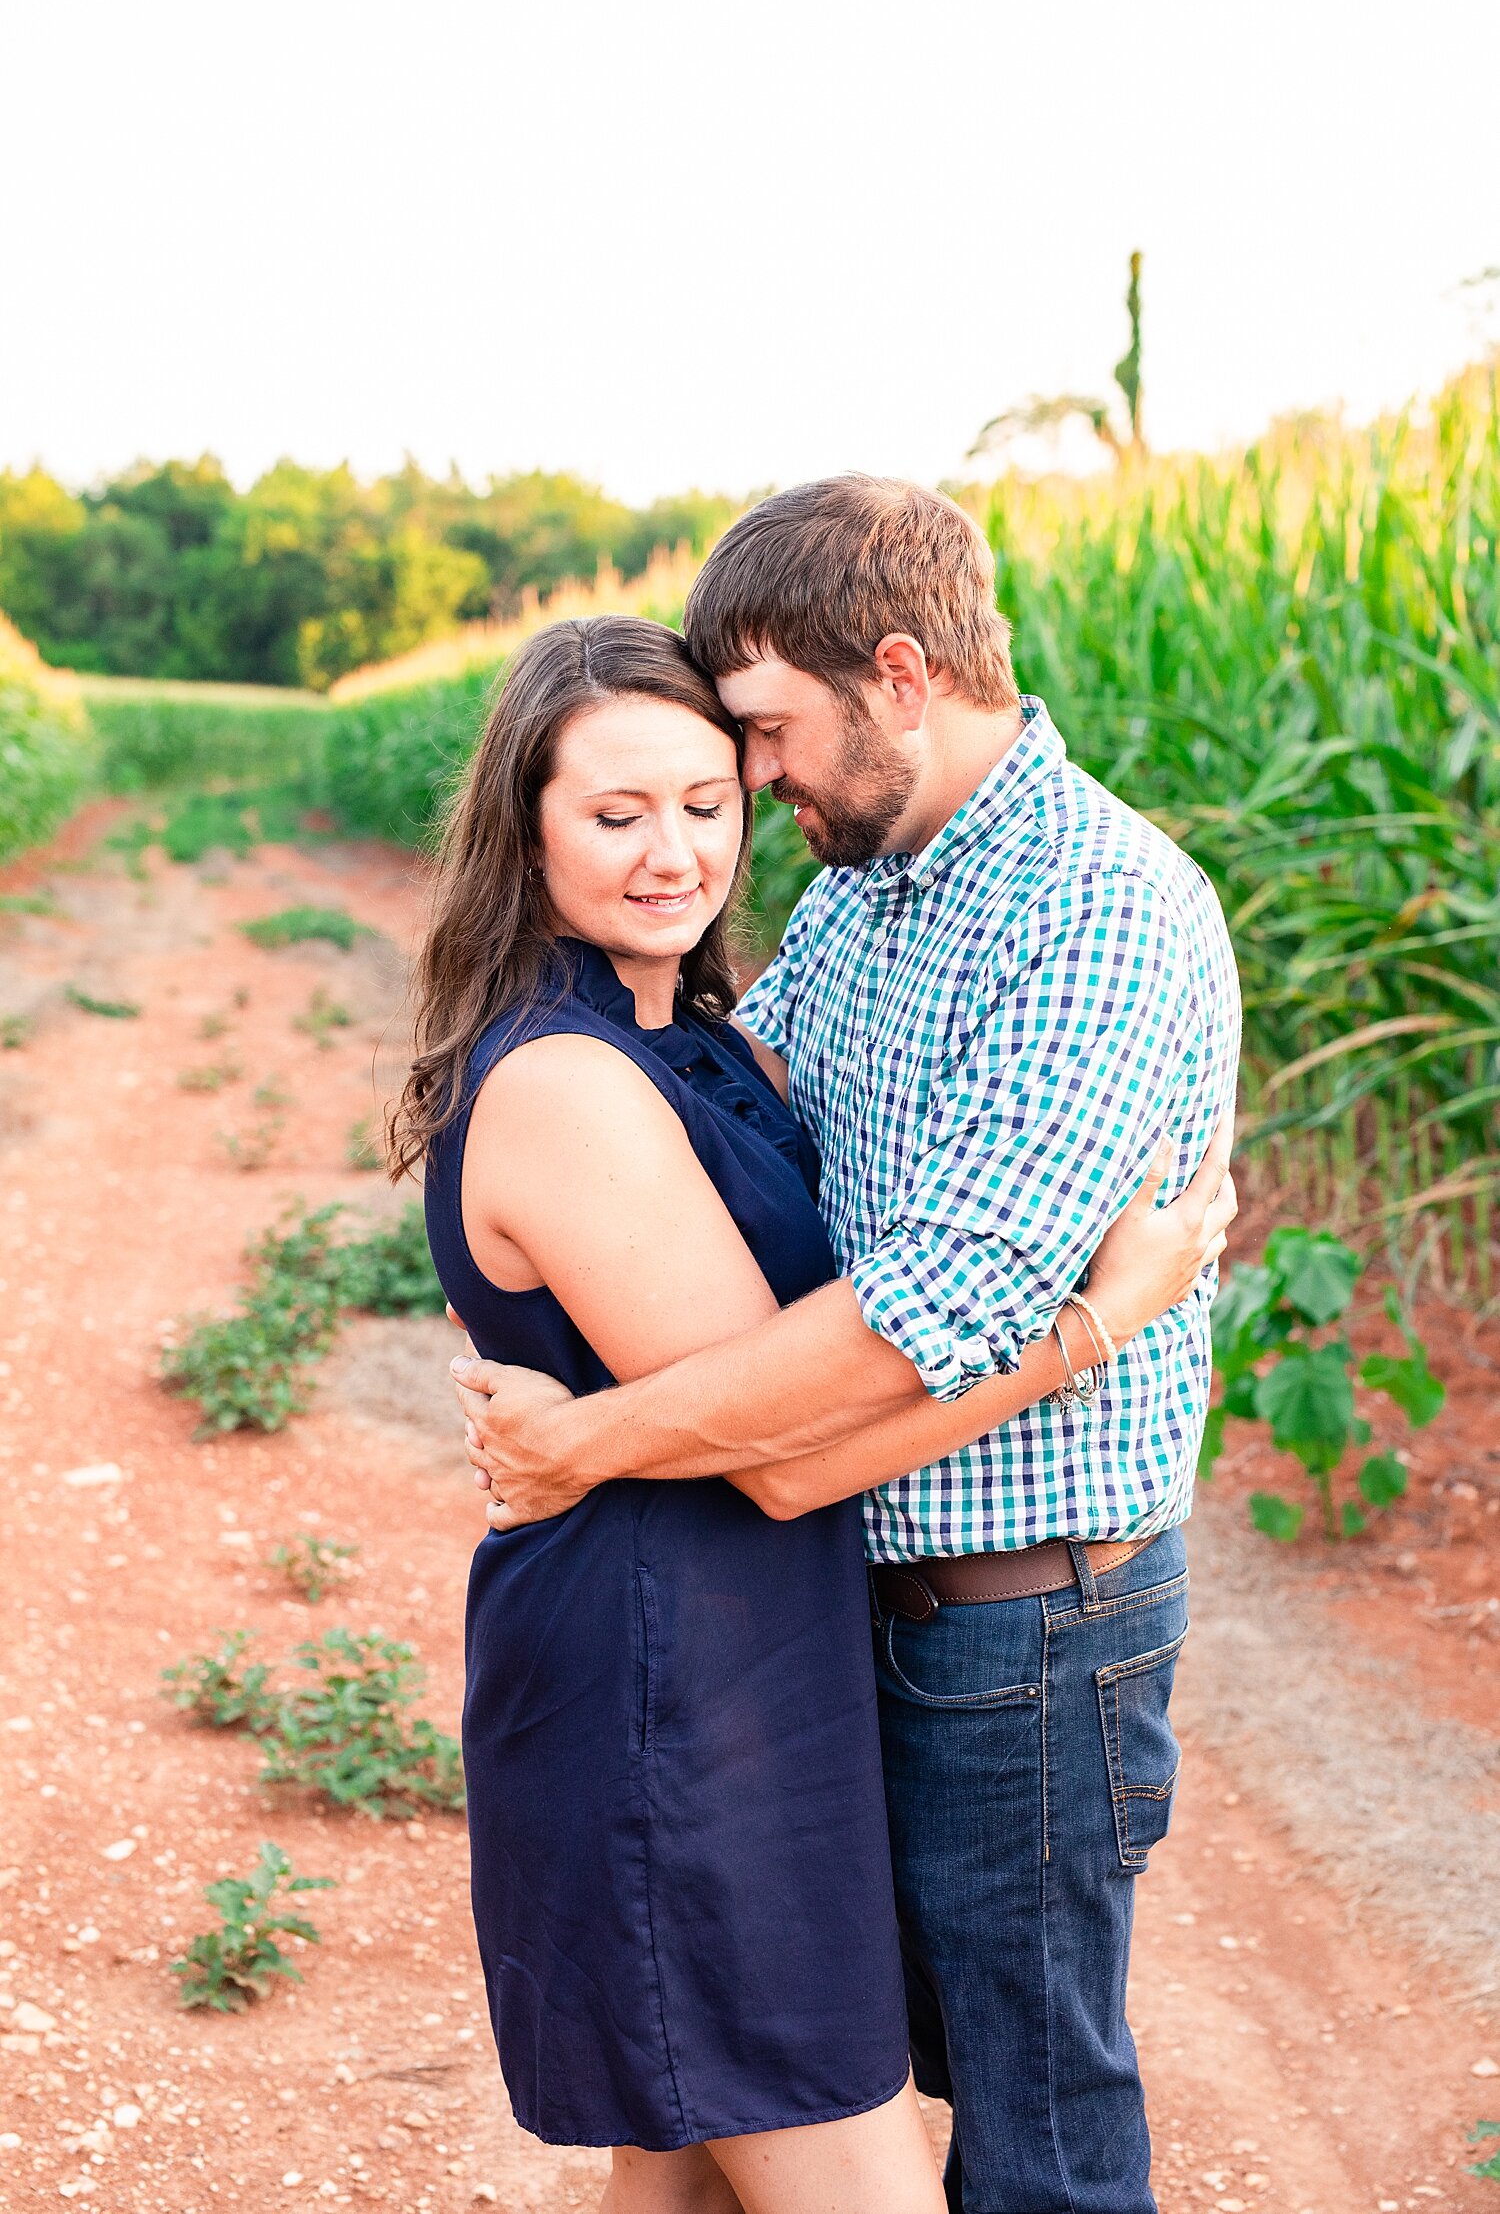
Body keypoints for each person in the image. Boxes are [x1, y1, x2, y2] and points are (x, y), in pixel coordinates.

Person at [453, 480, 1244, 2214]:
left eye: (757, 740)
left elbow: (904, 1332)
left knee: (1032, 2135)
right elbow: (731, 1132)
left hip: (1017, 1625)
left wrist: (589, 1436)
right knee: (766, 2093)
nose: (751, 794)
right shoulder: (861, 898)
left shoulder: (1094, 908)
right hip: (819, 1624)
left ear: (894, 674)